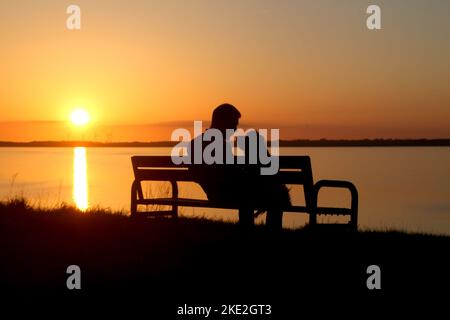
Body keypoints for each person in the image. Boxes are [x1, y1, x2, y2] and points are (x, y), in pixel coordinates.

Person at [188, 103, 291, 230]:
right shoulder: (220, 146)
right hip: (228, 194)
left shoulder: (195, 143)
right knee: (277, 195)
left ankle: (250, 230)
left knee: (264, 190)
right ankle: (272, 233)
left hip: (215, 193)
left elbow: (194, 175)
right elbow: (232, 175)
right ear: (222, 122)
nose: (235, 129)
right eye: (233, 124)